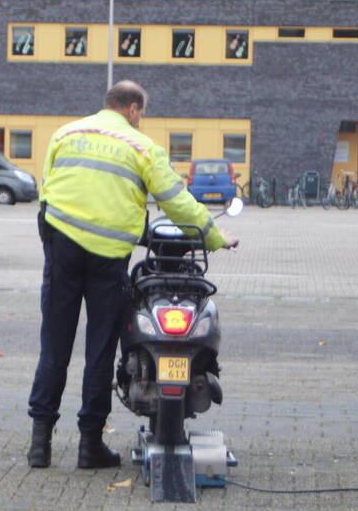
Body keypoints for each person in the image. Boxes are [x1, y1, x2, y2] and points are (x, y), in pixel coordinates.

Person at [27, 80, 239, 469]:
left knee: (54, 348)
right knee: (100, 352)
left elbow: (47, 193)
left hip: (62, 253)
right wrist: (214, 236)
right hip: (108, 261)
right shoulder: (143, 147)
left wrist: (55, 240)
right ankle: (89, 446)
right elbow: (176, 200)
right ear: (134, 109)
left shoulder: (65, 133)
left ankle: (39, 444)